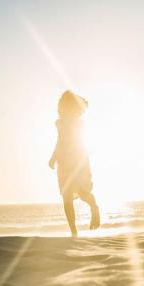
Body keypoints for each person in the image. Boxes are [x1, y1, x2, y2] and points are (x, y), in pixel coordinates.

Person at [49, 90, 100, 237]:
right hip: (69, 162)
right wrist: (53, 157)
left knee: (79, 193)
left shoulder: (75, 123)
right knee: (69, 196)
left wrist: (54, 157)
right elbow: (61, 141)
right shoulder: (65, 123)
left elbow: (73, 140)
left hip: (74, 161)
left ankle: (91, 211)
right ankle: (74, 230)